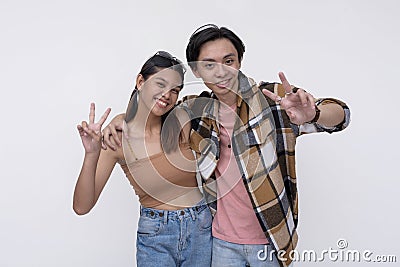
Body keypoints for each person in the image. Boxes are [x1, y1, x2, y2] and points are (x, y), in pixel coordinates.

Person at [102, 25, 350, 267]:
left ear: (239, 62)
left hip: (271, 241)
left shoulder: (272, 99)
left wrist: (314, 114)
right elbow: (155, 109)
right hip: (219, 243)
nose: (221, 72)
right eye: (209, 65)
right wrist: (121, 119)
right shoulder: (195, 111)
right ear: (198, 72)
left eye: (228, 61)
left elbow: (341, 116)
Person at [73, 51, 212, 267]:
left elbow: (221, 102)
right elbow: (82, 207)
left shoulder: (182, 119)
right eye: (160, 84)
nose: (167, 95)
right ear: (140, 81)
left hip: (201, 230)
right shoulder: (117, 140)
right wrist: (91, 154)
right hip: (157, 236)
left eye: (175, 90)